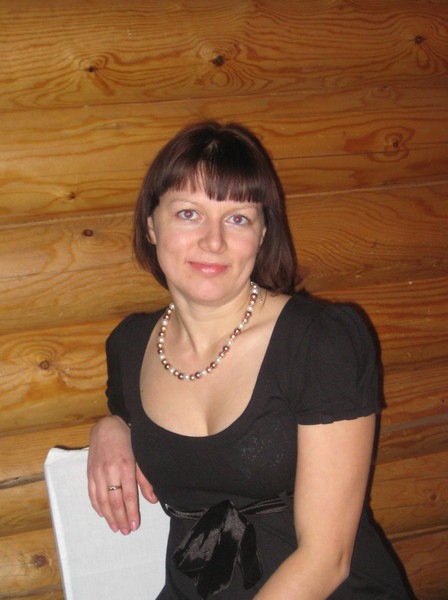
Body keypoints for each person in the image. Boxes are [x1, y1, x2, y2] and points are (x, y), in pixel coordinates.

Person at [88, 121, 412, 599]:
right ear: (152, 225)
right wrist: (109, 426)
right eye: (189, 213)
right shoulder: (131, 344)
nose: (213, 241)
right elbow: (124, 409)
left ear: (262, 234)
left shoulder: (320, 342)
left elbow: (327, 559)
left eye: (238, 218)